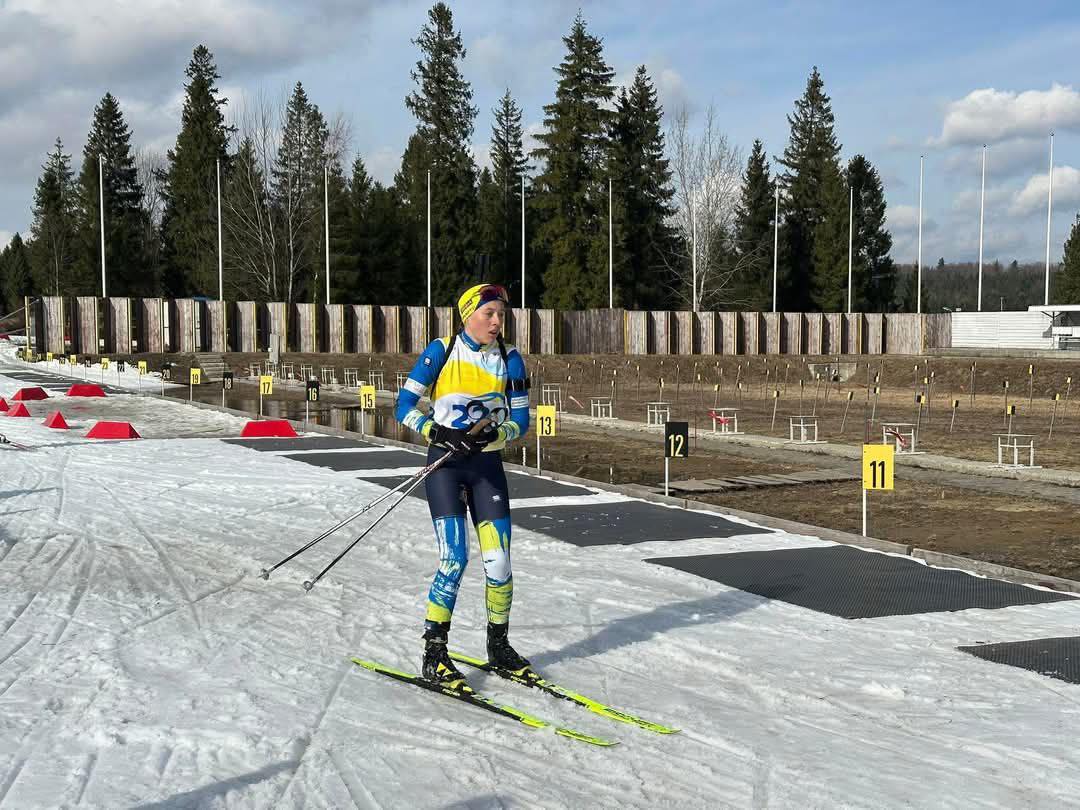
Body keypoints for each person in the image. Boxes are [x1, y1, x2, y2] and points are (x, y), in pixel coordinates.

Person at [395, 283, 531, 684]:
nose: (497, 321)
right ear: (468, 315)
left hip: (487, 468)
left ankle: (498, 645)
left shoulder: (510, 359)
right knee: (454, 559)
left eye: (501, 314)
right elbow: (403, 406)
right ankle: (434, 652)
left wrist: (496, 434)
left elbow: (521, 421)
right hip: (447, 466)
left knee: (499, 562)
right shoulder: (442, 350)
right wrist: (437, 432)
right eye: (489, 313)